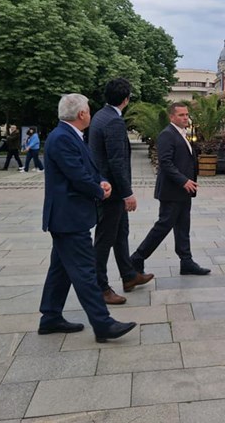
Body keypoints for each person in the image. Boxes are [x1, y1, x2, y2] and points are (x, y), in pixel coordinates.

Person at [38, 93, 136, 343]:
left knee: (60, 269)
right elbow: (77, 175)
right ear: (81, 114)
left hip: (68, 217)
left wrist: (101, 181)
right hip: (69, 218)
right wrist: (99, 191)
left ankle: (50, 317)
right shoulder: (62, 137)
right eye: (89, 110)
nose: (90, 114)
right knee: (85, 271)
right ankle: (103, 324)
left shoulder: (70, 135)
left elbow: (86, 169)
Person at [89, 78, 154, 305]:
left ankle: (129, 275)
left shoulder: (100, 115)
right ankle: (100, 287)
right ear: (126, 99)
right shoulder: (114, 121)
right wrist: (127, 194)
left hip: (106, 186)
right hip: (112, 192)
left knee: (120, 233)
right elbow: (116, 161)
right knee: (105, 239)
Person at [130, 102, 210, 276]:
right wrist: (183, 181)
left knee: (183, 227)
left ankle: (186, 262)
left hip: (184, 191)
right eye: (181, 115)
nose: (185, 118)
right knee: (163, 226)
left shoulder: (182, 134)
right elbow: (165, 163)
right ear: (171, 117)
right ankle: (137, 258)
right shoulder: (167, 134)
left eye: (187, 114)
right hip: (172, 191)